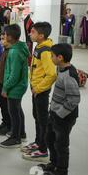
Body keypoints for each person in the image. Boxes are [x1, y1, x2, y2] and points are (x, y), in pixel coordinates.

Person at [39, 44, 80, 175]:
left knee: (61, 145)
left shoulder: (68, 75)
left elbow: (74, 100)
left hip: (64, 117)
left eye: (52, 56)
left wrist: (60, 113)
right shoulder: (61, 69)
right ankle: (54, 164)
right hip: (55, 114)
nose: (51, 58)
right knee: (50, 139)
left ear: (60, 58)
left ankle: (62, 173)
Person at [22, 22, 57, 161]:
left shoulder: (46, 51)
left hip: (40, 91)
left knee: (43, 120)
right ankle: (38, 142)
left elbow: (52, 74)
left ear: (41, 35)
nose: (30, 34)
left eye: (33, 32)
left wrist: (39, 88)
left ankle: (43, 149)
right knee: (37, 117)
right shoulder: (39, 47)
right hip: (35, 89)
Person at [0, 24, 29, 148]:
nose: (3, 37)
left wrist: (5, 87)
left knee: (14, 112)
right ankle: (21, 133)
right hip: (19, 86)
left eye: (5, 35)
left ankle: (15, 138)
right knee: (17, 109)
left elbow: (14, 75)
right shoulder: (19, 48)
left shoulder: (15, 52)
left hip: (15, 87)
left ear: (10, 37)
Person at [0, 33, 11, 136]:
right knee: (2, 104)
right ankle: (5, 123)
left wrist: (6, 86)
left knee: (7, 106)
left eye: (3, 39)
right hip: (0, 82)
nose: (1, 41)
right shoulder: (5, 51)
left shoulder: (10, 53)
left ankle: (9, 125)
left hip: (6, 83)